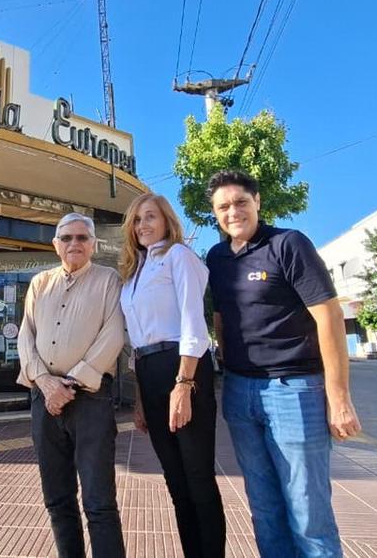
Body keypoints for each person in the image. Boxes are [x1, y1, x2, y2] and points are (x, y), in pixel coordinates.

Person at [204, 170, 362, 558]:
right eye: (223, 207)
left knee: (308, 512)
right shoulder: (217, 258)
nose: (233, 212)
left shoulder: (288, 244)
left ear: (257, 202)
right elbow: (221, 318)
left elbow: (329, 317)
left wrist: (339, 397)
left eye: (240, 202)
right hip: (240, 392)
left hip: (295, 390)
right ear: (215, 214)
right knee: (264, 509)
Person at [118, 193, 225, 558]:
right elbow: (137, 341)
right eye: (136, 219)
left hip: (183, 368)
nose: (142, 225)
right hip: (149, 372)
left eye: (150, 216)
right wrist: (140, 400)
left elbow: (194, 323)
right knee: (176, 482)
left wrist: (184, 385)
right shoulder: (133, 272)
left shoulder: (179, 256)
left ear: (166, 221)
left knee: (198, 478)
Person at [17, 212, 127, 558]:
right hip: (44, 398)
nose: (74, 243)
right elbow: (25, 335)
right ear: (56, 245)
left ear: (93, 244)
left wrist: (70, 384)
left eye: (82, 237)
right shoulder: (40, 283)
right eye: (66, 238)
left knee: (99, 502)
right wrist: (45, 382)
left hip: (90, 398)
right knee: (57, 499)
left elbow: (114, 334)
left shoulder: (109, 280)